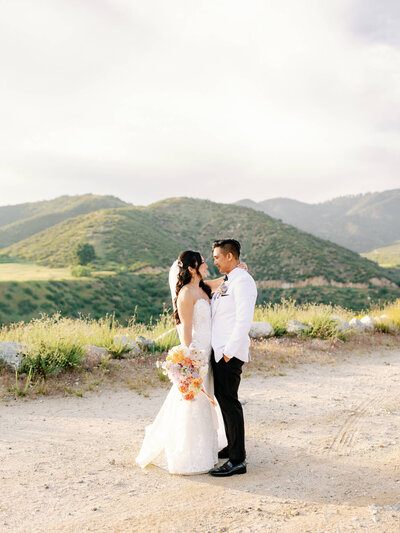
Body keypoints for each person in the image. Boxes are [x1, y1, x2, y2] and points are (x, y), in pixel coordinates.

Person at [136, 250, 228, 474]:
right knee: (191, 399)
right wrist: (190, 359)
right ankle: (187, 453)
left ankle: (205, 448)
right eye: (203, 263)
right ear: (191, 268)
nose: (207, 265)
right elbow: (186, 329)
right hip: (197, 353)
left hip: (209, 352)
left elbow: (220, 282)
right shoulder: (186, 293)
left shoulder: (202, 287)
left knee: (206, 397)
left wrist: (236, 271)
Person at [209, 239, 257, 477]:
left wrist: (228, 352)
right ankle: (232, 445)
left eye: (217, 257)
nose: (214, 261)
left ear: (230, 256)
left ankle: (238, 460)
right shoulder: (229, 281)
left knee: (230, 403)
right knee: (224, 401)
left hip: (228, 353)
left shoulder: (244, 282)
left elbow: (243, 320)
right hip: (218, 351)